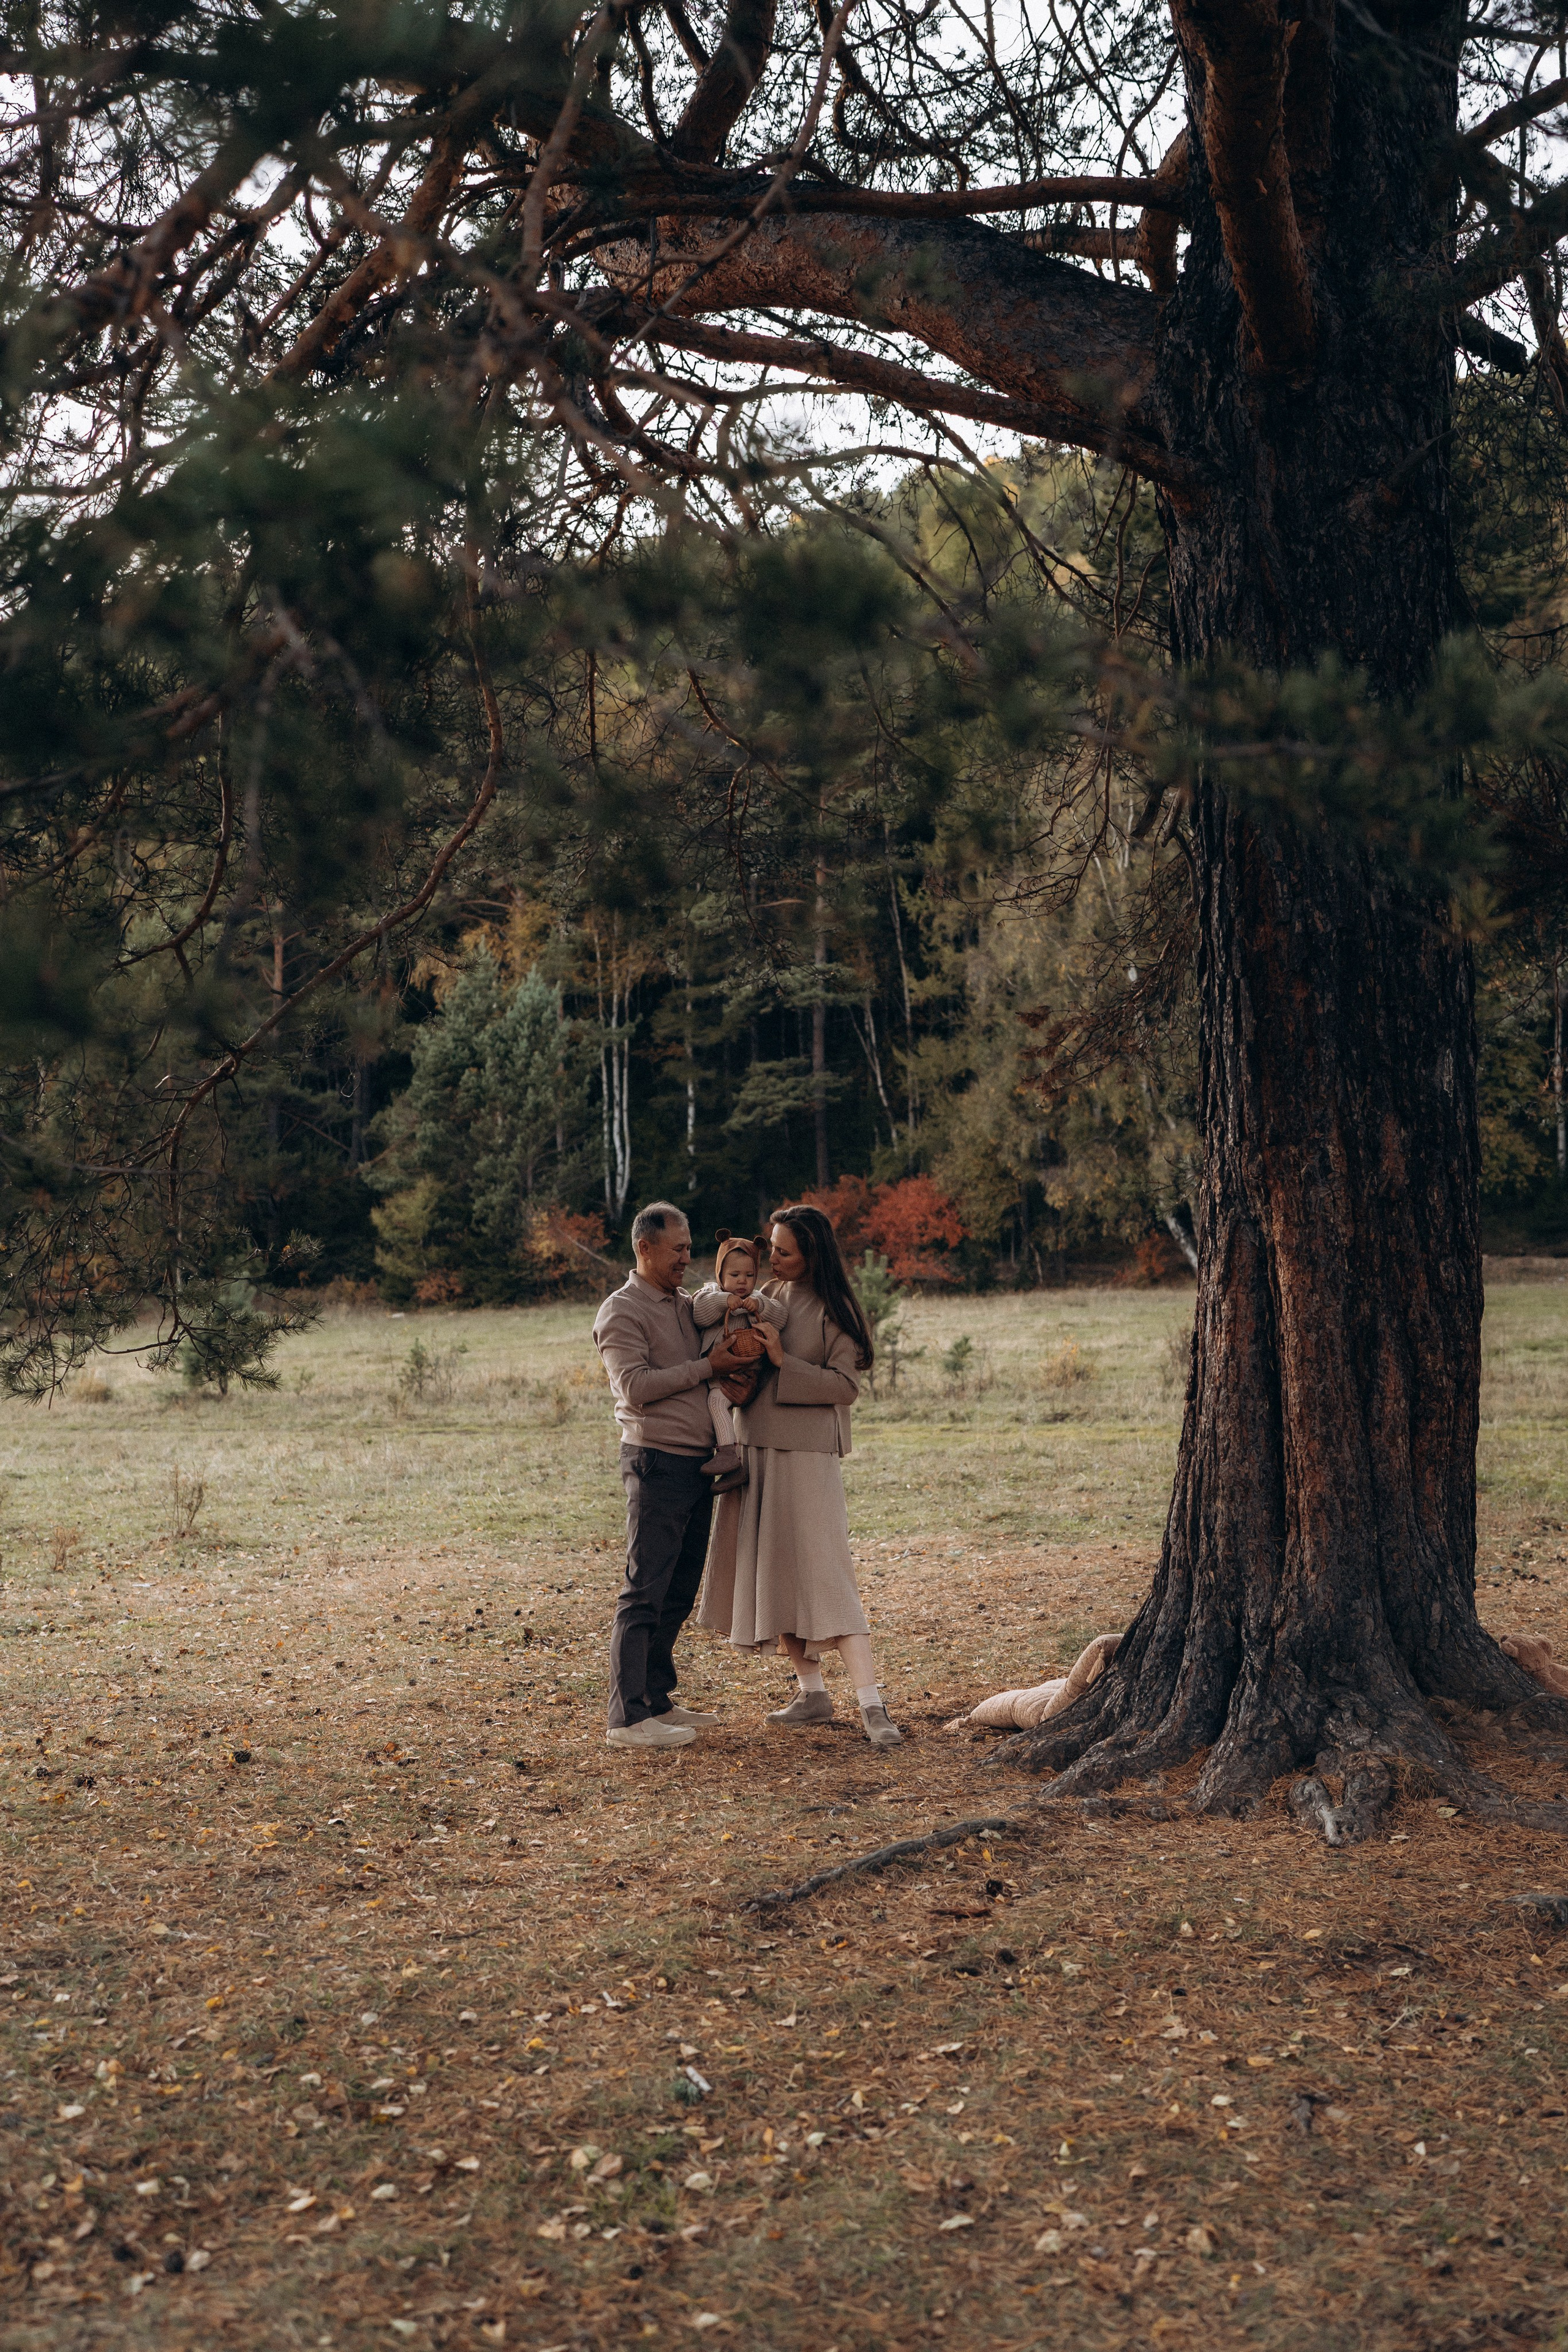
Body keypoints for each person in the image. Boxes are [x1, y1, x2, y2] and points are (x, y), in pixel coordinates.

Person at [697, 1204, 901, 1749]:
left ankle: (872, 1704)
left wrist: (785, 1361)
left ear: (812, 1254)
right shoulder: (769, 1297)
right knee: (776, 1571)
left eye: (783, 1250)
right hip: (757, 1447)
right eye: (771, 1246)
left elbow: (844, 1387)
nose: (772, 1257)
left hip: (809, 1455)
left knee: (827, 1575)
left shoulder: (837, 1310)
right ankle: (812, 1692)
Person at [592, 1202, 751, 1751]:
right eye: (679, 1248)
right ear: (645, 1248)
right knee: (645, 1589)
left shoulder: (685, 1305)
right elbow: (635, 1386)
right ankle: (627, 1717)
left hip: (696, 1463)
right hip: (655, 1460)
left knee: (679, 1589)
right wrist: (710, 1368)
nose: (688, 1257)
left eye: (689, 1247)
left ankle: (657, 1699)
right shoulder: (622, 1311)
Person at [692, 1230, 785, 1491]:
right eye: (734, 1275)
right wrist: (726, 1301)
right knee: (715, 1405)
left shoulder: (757, 1299)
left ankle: (729, 1456)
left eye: (750, 1275)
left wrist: (761, 1307)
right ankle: (733, 1464)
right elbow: (699, 1314)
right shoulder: (711, 1293)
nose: (743, 1282)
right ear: (720, 1274)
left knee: (717, 1403)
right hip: (718, 1372)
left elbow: (782, 1318)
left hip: (745, 1374)